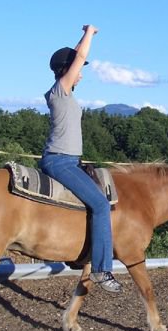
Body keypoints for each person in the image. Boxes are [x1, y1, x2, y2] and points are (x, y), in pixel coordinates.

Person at [39, 25, 123, 294]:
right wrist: (90, 32)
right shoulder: (60, 90)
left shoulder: (61, 91)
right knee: (101, 205)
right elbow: (79, 57)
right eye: (77, 69)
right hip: (60, 161)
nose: (81, 74)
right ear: (66, 70)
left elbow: (76, 57)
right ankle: (101, 270)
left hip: (69, 160)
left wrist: (84, 37)